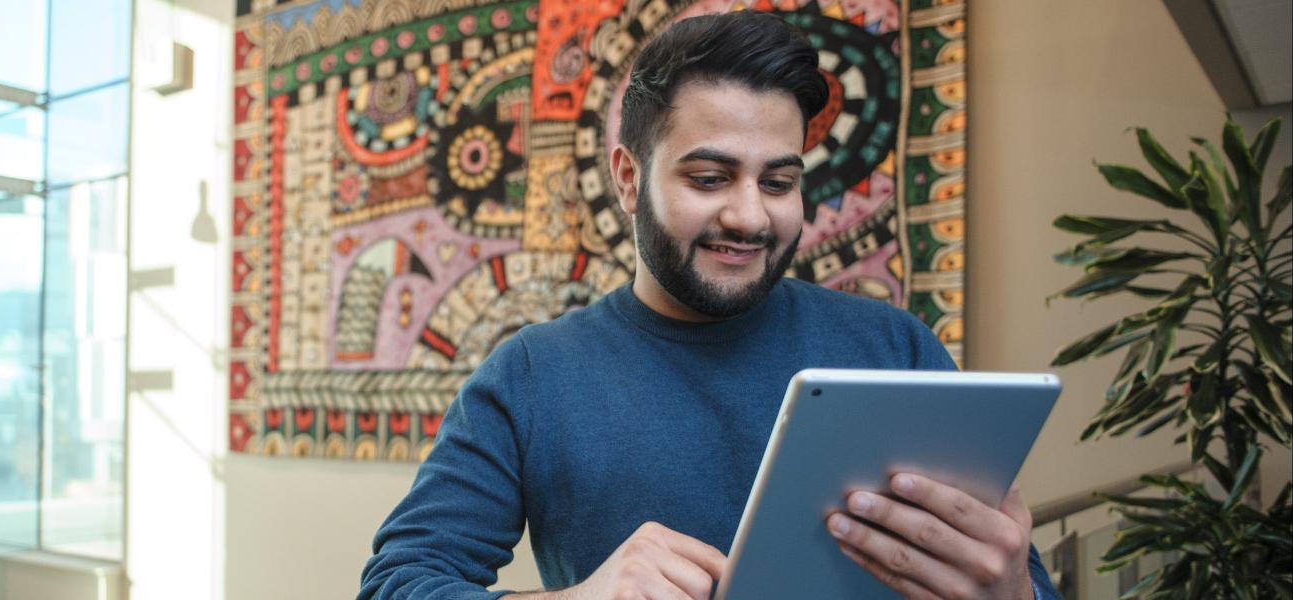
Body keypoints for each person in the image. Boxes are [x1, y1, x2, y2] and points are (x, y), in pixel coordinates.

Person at [358, 11, 1060, 600]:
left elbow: (1015, 575)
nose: (750, 216)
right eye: (710, 176)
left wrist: (1017, 591)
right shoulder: (532, 376)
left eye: (779, 182)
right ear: (630, 179)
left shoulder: (895, 348)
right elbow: (398, 581)